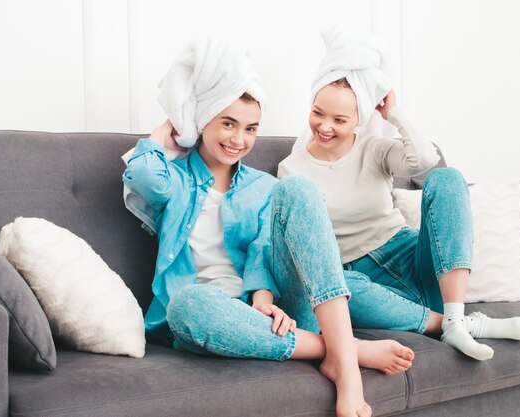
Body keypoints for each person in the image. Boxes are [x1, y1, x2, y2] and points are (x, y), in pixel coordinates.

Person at [123, 37, 414, 417]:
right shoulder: (175, 181)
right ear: (203, 119)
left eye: (250, 128)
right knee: (187, 306)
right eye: (228, 123)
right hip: (209, 317)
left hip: (274, 316)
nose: (238, 139)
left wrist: (263, 301)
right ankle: (345, 350)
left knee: (299, 188)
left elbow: (264, 250)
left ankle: (345, 372)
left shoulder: (264, 187)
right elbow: (141, 173)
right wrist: (175, 123)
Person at [278, 26, 520, 361]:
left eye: (339, 119)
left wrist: (393, 113)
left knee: (447, 178)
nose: (325, 126)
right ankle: (460, 325)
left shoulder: (374, 149)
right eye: (318, 113)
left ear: (358, 118)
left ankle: (454, 313)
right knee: (337, 290)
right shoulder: (292, 170)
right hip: (360, 279)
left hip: (410, 257)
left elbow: (425, 159)